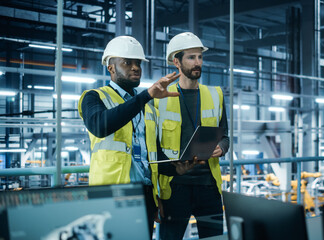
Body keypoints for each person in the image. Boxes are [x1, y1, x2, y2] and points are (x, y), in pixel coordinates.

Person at [78, 35, 191, 239]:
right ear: (110, 67)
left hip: (145, 194)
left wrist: (176, 168)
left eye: (138, 63)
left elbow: (152, 154)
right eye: (127, 62)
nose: (135, 67)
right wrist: (146, 95)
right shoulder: (94, 97)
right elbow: (100, 126)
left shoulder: (147, 106)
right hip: (111, 195)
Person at [155, 32, 229, 240]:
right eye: (191, 57)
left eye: (200, 57)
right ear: (176, 61)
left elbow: (226, 136)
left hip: (209, 188)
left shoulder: (216, 95)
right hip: (174, 188)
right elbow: (152, 147)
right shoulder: (159, 99)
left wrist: (221, 148)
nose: (198, 63)